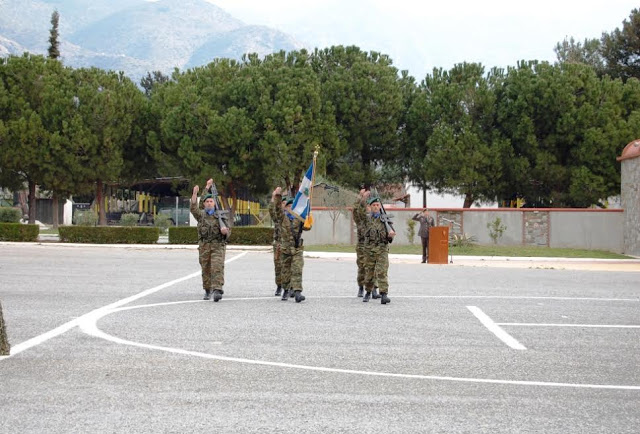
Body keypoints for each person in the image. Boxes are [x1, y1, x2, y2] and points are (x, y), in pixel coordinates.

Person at [190, 179, 231, 302]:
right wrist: (195, 194)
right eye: (207, 201)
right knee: (206, 268)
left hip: (218, 246)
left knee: (217, 267)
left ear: (214, 203)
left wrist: (225, 232)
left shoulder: (221, 216)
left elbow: (229, 232)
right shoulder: (201, 215)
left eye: (211, 201)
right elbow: (193, 208)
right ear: (204, 204)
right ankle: (207, 290)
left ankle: (217, 289)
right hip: (204, 246)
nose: (208, 203)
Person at [353, 189, 395, 304]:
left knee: (382, 271)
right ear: (370, 207)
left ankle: (384, 294)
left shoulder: (385, 219)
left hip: (382, 249)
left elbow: (390, 236)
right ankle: (367, 291)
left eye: (377, 205)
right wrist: (361, 199)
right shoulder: (366, 220)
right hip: (369, 249)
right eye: (374, 205)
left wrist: (391, 236)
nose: (376, 207)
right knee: (369, 272)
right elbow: (356, 213)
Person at [270, 187, 309, 303]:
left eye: (293, 206)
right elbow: (276, 209)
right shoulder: (282, 218)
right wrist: (277, 196)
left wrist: (308, 222)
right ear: (286, 208)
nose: (291, 208)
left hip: (297, 248)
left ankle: (297, 292)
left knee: (297, 269)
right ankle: (286, 290)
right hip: (285, 248)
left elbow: (307, 227)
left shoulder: (299, 219)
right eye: (288, 206)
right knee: (285, 270)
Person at [353, 202, 379, 299]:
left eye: (370, 206)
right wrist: (360, 199)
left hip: (372, 246)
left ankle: (374, 289)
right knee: (362, 268)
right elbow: (355, 212)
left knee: (373, 268)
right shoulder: (361, 220)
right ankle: (361, 287)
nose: (369, 208)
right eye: (367, 206)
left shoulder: (375, 218)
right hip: (361, 246)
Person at [269, 195, 288, 296]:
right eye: (282, 203)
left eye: (286, 204)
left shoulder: (291, 216)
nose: (284, 205)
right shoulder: (277, 216)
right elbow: (271, 209)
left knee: (289, 266)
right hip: (278, 244)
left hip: (288, 244)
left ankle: (290, 287)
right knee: (278, 266)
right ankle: (279, 286)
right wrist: (273, 197)